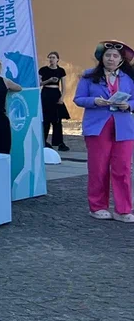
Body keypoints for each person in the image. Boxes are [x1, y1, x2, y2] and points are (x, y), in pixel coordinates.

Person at [73, 42, 134, 222]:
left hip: (123, 128)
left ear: (122, 60)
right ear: (101, 57)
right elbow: (78, 99)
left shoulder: (129, 78)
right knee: (98, 168)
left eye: (115, 56)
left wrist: (129, 105)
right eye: (108, 55)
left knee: (123, 168)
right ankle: (97, 206)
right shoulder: (89, 76)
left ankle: (123, 209)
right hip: (98, 127)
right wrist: (94, 101)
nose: (111, 59)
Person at [39, 51, 70, 152]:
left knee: (57, 120)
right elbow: (39, 83)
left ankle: (59, 142)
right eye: (50, 57)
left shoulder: (61, 71)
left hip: (56, 94)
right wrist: (49, 80)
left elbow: (64, 86)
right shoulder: (43, 70)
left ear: (57, 59)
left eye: (53, 57)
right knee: (45, 120)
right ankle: (43, 141)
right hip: (45, 94)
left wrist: (62, 97)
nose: (51, 59)